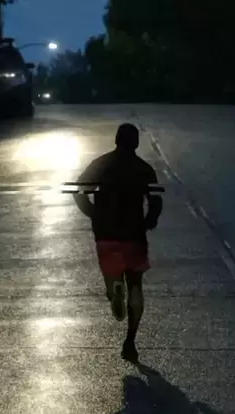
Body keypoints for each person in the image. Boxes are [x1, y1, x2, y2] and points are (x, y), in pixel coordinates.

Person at [73, 123, 163, 363]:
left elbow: (79, 192)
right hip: (134, 234)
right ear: (136, 143)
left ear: (116, 139)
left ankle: (114, 290)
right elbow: (155, 201)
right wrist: (149, 221)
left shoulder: (100, 164)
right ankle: (130, 341)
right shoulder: (144, 168)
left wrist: (93, 214)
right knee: (136, 284)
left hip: (106, 233)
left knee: (111, 273)